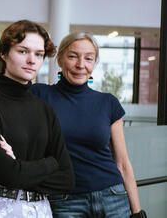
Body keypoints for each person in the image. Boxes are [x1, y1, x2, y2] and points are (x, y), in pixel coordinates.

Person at [0, 20, 75, 217]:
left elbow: (67, 179)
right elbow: (8, 173)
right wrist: (50, 163)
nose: (32, 60)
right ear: (3, 53)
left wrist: (19, 168)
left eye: (39, 54)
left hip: (40, 210)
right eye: (23, 51)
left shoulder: (44, 109)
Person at [30, 32, 146, 218]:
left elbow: (123, 163)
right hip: (64, 201)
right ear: (59, 60)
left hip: (113, 196)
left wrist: (137, 212)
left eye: (89, 58)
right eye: (72, 56)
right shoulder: (40, 95)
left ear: (94, 64)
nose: (80, 65)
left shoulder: (108, 103)